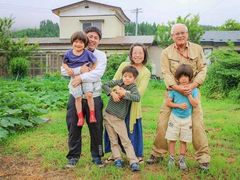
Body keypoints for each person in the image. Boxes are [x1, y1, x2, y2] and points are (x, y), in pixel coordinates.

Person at [146, 23, 210, 171]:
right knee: (162, 122)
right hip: (172, 92)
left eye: (183, 33)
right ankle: (158, 153)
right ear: (172, 36)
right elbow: (165, 72)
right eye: (177, 33)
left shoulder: (197, 49)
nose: (180, 35)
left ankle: (203, 158)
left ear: (187, 34)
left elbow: (202, 70)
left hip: (192, 92)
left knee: (198, 124)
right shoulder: (166, 52)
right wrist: (176, 88)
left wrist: (192, 86)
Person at [61, 26, 107, 168]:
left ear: (99, 41)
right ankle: (73, 157)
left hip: (94, 95)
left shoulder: (100, 55)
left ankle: (97, 156)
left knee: (96, 127)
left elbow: (97, 73)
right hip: (76, 95)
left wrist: (79, 77)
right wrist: (79, 69)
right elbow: (63, 71)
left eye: (96, 37)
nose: (92, 39)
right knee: (74, 125)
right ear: (84, 38)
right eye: (90, 36)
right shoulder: (73, 52)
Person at [104, 43, 151, 163]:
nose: (137, 55)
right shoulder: (124, 65)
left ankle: (136, 155)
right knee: (114, 129)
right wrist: (114, 93)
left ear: (144, 54)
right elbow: (115, 81)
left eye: (140, 53)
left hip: (133, 105)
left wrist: (123, 92)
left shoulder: (145, 72)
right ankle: (115, 154)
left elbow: (139, 93)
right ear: (131, 54)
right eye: (135, 52)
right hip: (117, 103)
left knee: (130, 131)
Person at [102, 66, 141, 172]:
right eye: (125, 76)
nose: (127, 78)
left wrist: (125, 94)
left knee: (125, 140)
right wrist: (112, 93)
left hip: (119, 118)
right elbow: (104, 85)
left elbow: (137, 98)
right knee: (113, 140)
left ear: (134, 79)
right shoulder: (118, 82)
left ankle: (133, 161)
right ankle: (117, 159)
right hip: (107, 115)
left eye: (130, 77)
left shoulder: (132, 88)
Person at [165, 64, 199, 170]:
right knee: (172, 139)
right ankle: (171, 158)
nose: (183, 79)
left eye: (186, 76)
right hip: (174, 118)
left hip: (187, 119)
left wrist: (188, 94)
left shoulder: (194, 90)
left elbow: (195, 104)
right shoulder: (174, 90)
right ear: (177, 78)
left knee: (184, 140)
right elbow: (168, 103)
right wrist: (178, 105)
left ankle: (182, 159)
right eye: (181, 76)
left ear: (190, 77)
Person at [62, 31, 97, 126]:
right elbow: (64, 63)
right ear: (72, 42)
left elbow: (95, 62)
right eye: (76, 41)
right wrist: (68, 69)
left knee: (89, 95)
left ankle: (92, 115)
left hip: (85, 78)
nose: (78, 44)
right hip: (74, 79)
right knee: (78, 98)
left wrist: (91, 69)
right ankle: (80, 117)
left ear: (85, 44)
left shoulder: (87, 53)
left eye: (81, 42)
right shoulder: (68, 53)